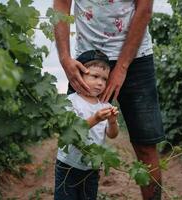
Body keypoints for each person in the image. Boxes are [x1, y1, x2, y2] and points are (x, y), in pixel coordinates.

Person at [53, 0, 165, 199]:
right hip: (88, 60)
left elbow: (145, 8)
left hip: (136, 57)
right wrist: (64, 59)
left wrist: (121, 67)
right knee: (76, 139)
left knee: (146, 146)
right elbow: (61, 5)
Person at [54, 50, 119, 200]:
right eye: (95, 76)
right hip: (68, 165)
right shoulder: (71, 101)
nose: (100, 83)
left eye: (104, 79)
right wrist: (95, 118)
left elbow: (112, 134)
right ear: (79, 76)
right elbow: (72, 131)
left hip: (91, 166)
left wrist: (112, 121)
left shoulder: (105, 105)